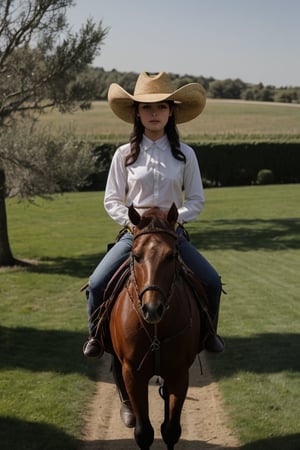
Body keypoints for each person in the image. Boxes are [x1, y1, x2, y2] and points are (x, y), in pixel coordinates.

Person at [83, 71, 224, 359]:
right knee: (97, 283)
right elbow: (111, 199)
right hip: (135, 236)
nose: (154, 113)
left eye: (161, 106)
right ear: (137, 113)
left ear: (172, 112)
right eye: (147, 107)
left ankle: (209, 334)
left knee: (212, 281)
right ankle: (96, 335)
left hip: (173, 235)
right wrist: (132, 222)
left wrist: (173, 219)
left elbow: (196, 200)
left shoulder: (186, 154)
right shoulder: (124, 154)